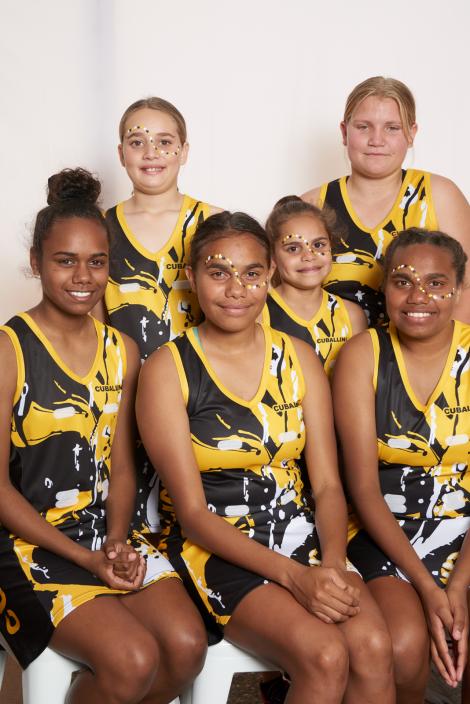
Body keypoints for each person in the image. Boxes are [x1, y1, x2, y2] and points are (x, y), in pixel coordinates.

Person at [136, 211, 394, 704]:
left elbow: (327, 486)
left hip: (304, 538)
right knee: (325, 655)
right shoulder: (168, 368)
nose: (236, 289)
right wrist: (297, 578)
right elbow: (190, 515)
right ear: (192, 277)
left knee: (374, 647)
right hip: (216, 546)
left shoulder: (299, 357)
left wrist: (334, 566)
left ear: (270, 275)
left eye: (252, 273)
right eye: (218, 272)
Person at [0, 168, 206, 703]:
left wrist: (115, 538)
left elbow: (119, 463)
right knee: (132, 659)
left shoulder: (123, 350)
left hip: (103, 532)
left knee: (186, 647)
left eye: (97, 262)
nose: (82, 277)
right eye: (64, 261)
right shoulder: (8, 350)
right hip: (24, 543)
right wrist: (88, 559)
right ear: (35, 263)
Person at [332, 228, 470, 702]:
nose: (418, 297)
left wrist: (459, 584)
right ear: (384, 287)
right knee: (404, 644)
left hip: (463, 530)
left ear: (458, 289)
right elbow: (364, 491)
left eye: (436, 283)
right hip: (383, 529)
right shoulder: (361, 356)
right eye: (403, 281)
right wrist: (434, 592)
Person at [103, 97, 221, 533]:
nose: (151, 152)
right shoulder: (101, 230)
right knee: (135, 525)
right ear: (122, 154)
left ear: (185, 151)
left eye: (164, 141)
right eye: (137, 141)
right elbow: (94, 327)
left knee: (199, 517)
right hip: (128, 399)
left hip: (201, 399)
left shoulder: (214, 223)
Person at [302, 76, 470, 327]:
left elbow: (465, 290)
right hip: (329, 360)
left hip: (422, 358)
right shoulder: (313, 205)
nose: (376, 140)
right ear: (344, 132)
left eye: (392, 127)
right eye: (363, 127)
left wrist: (446, 361)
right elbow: (285, 299)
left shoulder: (439, 195)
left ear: (411, 134)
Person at [263, 195, 366, 376]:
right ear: (273, 256)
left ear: (331, 247)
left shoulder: (351, 316)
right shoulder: (260, 314)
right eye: (293, 248)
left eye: (318, 244)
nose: (309, 255)